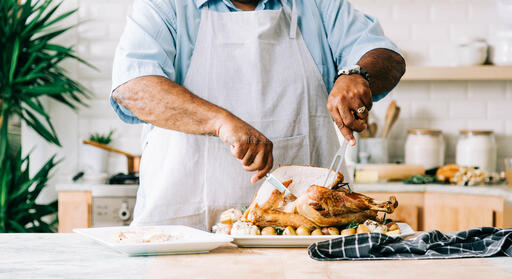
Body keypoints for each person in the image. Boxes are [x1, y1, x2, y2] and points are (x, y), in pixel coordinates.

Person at [110, 0, 405, 230]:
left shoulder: (317, 5)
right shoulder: (165, 6)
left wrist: (358, 75)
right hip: (182, 236)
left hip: (305, 237)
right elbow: (133, 89)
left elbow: (386, 55)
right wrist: (219, 122)